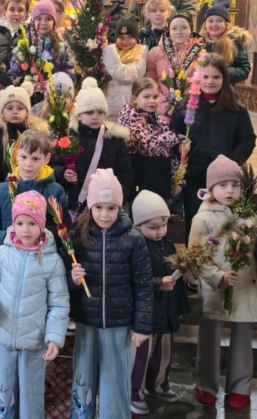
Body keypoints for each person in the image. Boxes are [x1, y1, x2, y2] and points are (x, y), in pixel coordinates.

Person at [0, 191, 70, 418]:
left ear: (41, 224)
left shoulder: (52, 261)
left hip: (35, 340)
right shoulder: (1, 254)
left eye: (31, 223)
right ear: (13, 224)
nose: (25, 230)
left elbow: (59, 303)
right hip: (4, 335)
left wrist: (54, 337)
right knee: (2, 388)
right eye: (20, 223)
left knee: (31, 392)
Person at [68, 169, 152, 419]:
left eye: (111, 208)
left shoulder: (133, 239)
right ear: (90, 206)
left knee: (115, 380)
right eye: (98, 207)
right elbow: (65, 279)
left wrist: (142, 326)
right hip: (87, 322)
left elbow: (144, 285)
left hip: (119, 324)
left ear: (120, 206)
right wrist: (73, 280)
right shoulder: (79, 235)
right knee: (83, 378)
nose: (104, 215)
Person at [190, 156, 257, 409]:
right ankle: (206, 384)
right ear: (211, 188)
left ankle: (240, 386)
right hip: (215, 288)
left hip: (242, 285)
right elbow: (196, 256)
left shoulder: (248, 215)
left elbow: (254, 249)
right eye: (223, 185)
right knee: (210, 337)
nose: (230, 191)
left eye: (235, 185)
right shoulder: (203, 218)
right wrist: (217, 276)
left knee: (243, 336)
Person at [173, 54, 256, 245]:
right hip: (195, 176)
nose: (210, 82)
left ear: (224, 79)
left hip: (225, 181)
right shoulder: (184, 106)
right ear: (198, 78)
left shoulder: (236, 109)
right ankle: (194, 262)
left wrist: (232, 162)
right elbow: (174, 135)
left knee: (225, 227)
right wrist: (180, 147)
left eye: (216, 77)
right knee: (196, 224)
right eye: (205, 76)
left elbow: (247, 139)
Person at [129, 190, 188, 414]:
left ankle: (158, 384)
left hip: (166, 310)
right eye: (153, 227)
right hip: (146, 313)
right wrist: (157, 284)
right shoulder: (136, 247)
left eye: (163, 225)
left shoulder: (167, 244)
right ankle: (135, 391)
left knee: (163, 353)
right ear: (138, 226)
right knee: (141, 356)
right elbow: (134, 279)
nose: (160, 231)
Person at [0, 129, 68, 253]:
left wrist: (40, 235)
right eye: (23, 157)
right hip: (9, 259)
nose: (28, 164)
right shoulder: (0, 191)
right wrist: (7, 236)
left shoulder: (55, 191)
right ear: (16, 154)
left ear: (47, 158)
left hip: (42, 258)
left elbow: (64, 231)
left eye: (35, 158)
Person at [58, 78, 133, 210]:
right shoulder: (68, 138)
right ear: (79, 115)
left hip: (105, 204)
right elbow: (53, 165)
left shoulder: (114, 139)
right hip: (74, 201)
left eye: (100, 112)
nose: (95, 116)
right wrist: (62, 173)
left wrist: (118, 199)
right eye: (89, 112)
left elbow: (124, 174)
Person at [0, 85, 48, 199]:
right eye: (9, 108)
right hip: (4, 195)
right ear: (2, 112)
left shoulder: (38, 135)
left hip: (34, 195)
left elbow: (46, 165)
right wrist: (3, 195)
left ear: (27, 111)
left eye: (20, 108)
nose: (15, 112)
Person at [119, 78, 179, 205]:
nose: (152, 101)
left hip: (160, 180)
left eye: (155, 96)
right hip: (141, 181)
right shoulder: (131, 118)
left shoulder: (156, 119)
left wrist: (177, 181)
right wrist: (175, 137)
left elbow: (168, 152)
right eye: (146, 97)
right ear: (135, 99)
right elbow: (148, 146)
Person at [146, 11, 207, 123]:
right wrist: (165, 106)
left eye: (184, 27)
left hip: (191, 111)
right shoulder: (155, 53)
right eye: (174, 28)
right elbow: (150, 83)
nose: (179, 32)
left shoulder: (201, 54)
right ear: (168, 31)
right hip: (162, 112)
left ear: (191, 29)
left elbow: (204, 84)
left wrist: (189, 104)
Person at [102, 19, 148, 122]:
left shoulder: (140, 52)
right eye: (121, 37)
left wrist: (108, 51)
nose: (125, 41)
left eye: (130, 37)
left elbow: (127, 76)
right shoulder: (111, 52)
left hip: (131, 108)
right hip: (110, 107)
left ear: (136, 38)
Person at [202, 0, 252, 85]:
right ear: (205, 24)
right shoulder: (199, 42)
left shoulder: (234, 41)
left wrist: (221, 71)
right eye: (210, 21)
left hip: (226, 89)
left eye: (219, 21)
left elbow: (244, 70)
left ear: (226, 23)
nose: (214, 24)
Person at [0, 0, 29, 69]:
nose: (16, 13)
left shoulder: (29, 33)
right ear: (5, 11)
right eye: (12, 9)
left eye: (20, 10)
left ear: (26, 13)